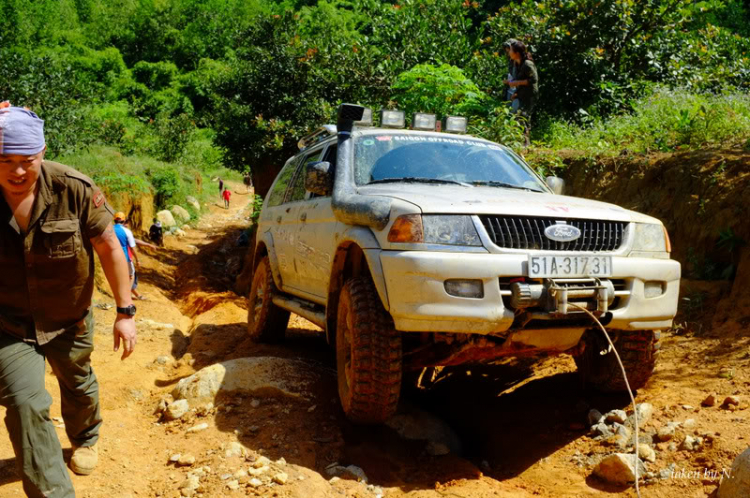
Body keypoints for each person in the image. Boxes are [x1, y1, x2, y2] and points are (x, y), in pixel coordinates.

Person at [0, 104, 137, 496]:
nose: (17, 171)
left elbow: (109, 246)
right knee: (26, 403)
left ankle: (85, 437)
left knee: (77, 382)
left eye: (27, 160)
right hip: (8, 323)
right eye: (5, 160)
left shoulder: (73, 188)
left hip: (69, 316)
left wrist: (126, 311)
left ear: (43, 153)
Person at [504, 40, 539, 146]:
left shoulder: (527, 64)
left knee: (523, 116)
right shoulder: (516, 64)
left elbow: (534, 80)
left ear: (517, 53)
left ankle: (526, 144)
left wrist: (516, 83)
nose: (509, 52)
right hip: (521, 93)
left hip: (529, 95)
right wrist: (516, 92)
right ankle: (522, 142)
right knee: (517, 115)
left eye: (511, 50)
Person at [123, 219, 157, 301]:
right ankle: (130, 296)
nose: (127, 226)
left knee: (129, 278)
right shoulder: (125, 233)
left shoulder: (117, 233)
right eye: (125, 223)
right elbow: (133, 246)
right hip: (126, 259)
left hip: (121, 260)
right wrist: (137, 259)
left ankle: (134, 295)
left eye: (127, 224)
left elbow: (135, 241)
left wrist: (148, 245)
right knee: (131, 277)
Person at [502, 38, 520, 113]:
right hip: (510, 90)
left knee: (515, 114)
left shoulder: (521, 62)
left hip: (518, 92)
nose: (507, 50)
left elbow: (522, 79)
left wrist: (510, 82)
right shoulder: (511, 60)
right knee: (508, 113)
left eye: (508, 48)